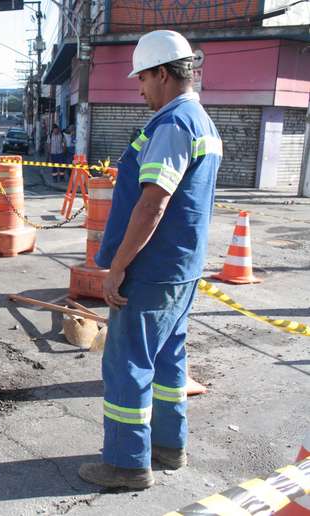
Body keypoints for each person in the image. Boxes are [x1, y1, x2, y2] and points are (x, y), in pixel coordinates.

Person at [77, 30, 222, 490]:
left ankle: (126, 463)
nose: (139, 88)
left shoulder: (173, 124)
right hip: (181, 270)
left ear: (163, 74)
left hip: (152, 271)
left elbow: (153, 202)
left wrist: (117, 266)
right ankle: (167, 446)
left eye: (142, 78)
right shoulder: (203, 122)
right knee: (167, 361)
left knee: (128, 364)